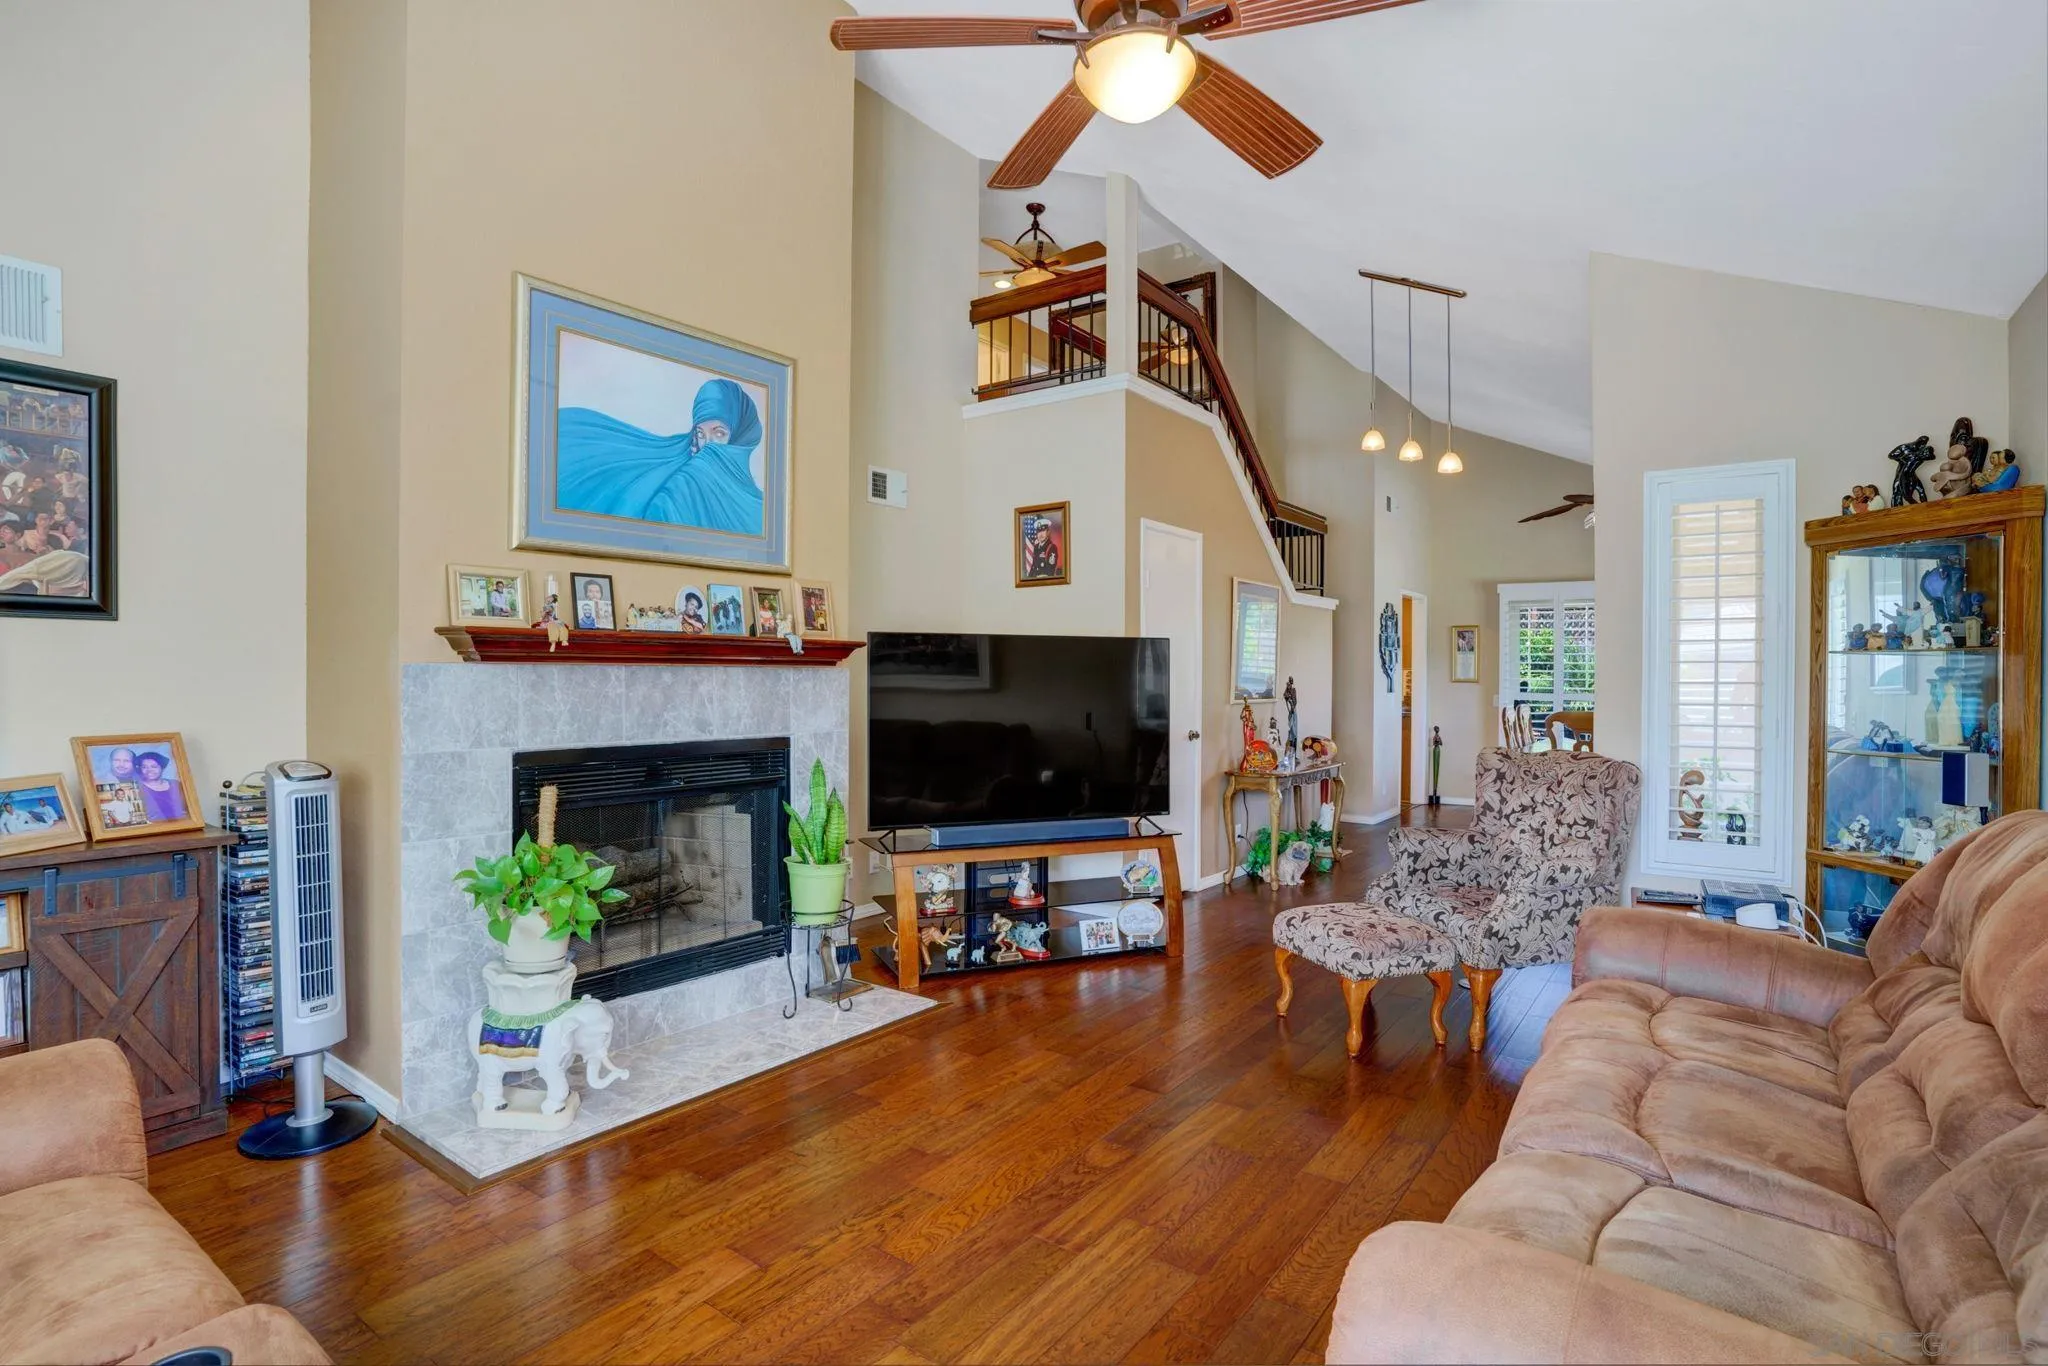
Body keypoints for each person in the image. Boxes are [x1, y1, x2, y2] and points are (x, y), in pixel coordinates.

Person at [555, 378, 766, 537]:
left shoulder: (762, 509)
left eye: (719, 433)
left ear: (741, 436)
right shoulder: (683, 483)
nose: (707, 446)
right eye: (700, 434)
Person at [135, 752, 186, 822]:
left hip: (183, 826)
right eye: (144, 767)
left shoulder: (176, 784)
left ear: (162, 768)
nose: (149, 770)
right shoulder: (137, 788)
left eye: (154, 766)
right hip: (155, 829)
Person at [1021, 515, 1061, 580]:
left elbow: (1051, 569)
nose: (1041, 534)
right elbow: (1033, 567)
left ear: (1048, 532)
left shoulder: (1051, 547)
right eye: (1039, 531)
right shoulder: (1036, 547)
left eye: (1043, 531)